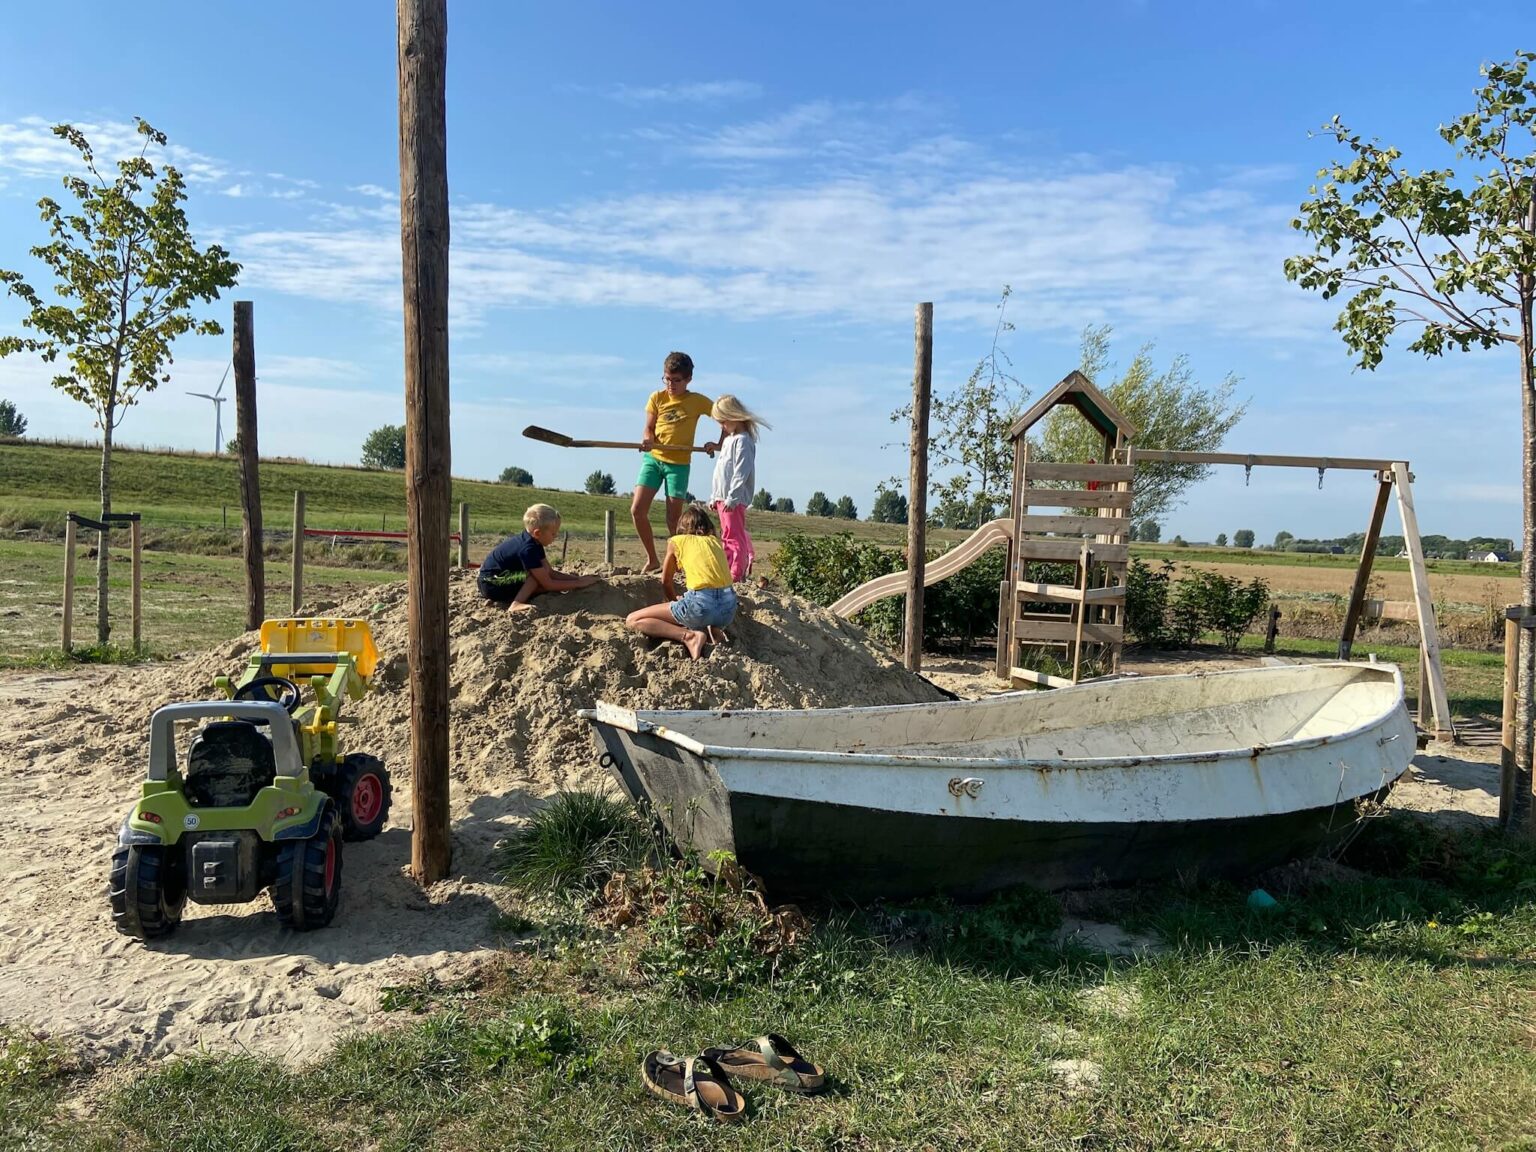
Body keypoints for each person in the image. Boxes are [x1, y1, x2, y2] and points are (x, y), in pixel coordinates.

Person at [633, 351, 716, 573]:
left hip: (678, 465)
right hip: (653, 460)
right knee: (637, 510)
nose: (670, 385)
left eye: (676, 381)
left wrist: (717, 444)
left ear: (688, 379)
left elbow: (725, 418)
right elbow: (649, 428)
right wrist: (648, 439)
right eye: (667, 379)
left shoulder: (697, 401)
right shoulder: (657, 398)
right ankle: (652, 559)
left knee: (674, 519)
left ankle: (681, 563)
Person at [625, 504, 736, 659]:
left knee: (633, 619)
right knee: (704, 607)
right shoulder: (715, 542)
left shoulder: (677, 541)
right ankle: (714, 633)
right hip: (728, 609)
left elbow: (666, 581)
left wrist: (673, 602)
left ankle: (688, 637)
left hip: (701, 606)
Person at [478, 503, 597, 610]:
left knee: (541, 574)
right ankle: (516, 603)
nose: (555, 537)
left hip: (493, 580)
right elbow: (548, 583)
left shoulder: (534, 541)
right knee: (535, 577)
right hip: (492, 585)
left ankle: (521, 595)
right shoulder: (528, 549)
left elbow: (550, 572)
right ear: (538, 533)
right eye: (553, 534)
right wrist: (578, 584)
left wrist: (577, 579)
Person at [709, 394, 771, 583]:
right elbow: (721, 472)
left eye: (723, 421)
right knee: (726, 535)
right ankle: (729, 570)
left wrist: (732, 497)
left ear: (733, 416)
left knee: (734, 536)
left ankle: (736, 573)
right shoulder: (729, 440)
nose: (721, 426)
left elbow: (740, 472)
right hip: (723, 497)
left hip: (732, 500)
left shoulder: (743, 441)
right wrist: (715, 496)